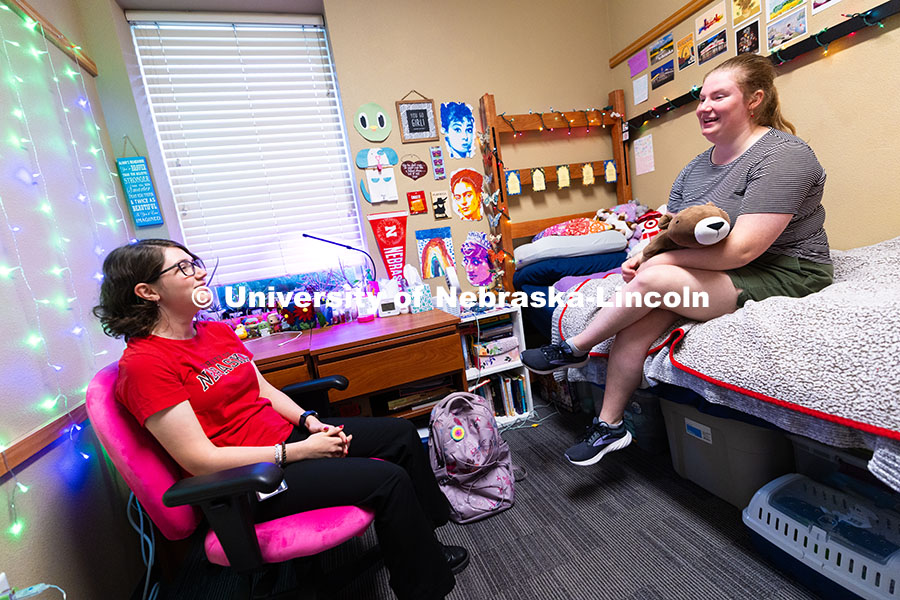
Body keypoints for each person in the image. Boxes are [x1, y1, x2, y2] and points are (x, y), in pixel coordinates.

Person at [92, 239, 469, 600]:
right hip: (248, 479)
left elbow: (264, 390)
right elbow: (199, 460)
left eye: (195, 263)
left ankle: (424, 544)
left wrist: (308, 422)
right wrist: (301, 453)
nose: (199, 274)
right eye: (183, 268)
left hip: (285, 440)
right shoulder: (145, 366)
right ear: (148, 291)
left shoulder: (215, 332)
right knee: (388, 480)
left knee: (401, 435)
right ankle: (424, 589)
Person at [522, 53, 833, 467]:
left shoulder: (784, 156)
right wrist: (643, 253)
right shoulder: (694, 169)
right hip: (729, 266)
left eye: (718, 96)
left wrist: (654, 267)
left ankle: (576, 346)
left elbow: (744, 249)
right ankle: (609, 425)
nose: (704, 107)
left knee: (653, 284)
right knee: (637, 320)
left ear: (754, 100)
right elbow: (672, 230)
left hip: (785, 271)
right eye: (701, 98)